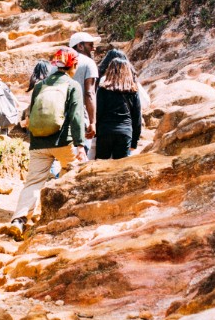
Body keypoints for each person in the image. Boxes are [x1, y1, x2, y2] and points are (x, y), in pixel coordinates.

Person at [9, 48, 87, 225]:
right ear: (73, 65)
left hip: (38, 143)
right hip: (62, 142)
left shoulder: (39, 86)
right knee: (73, 173)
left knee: (33, 182)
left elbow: (32, 114)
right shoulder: (73, 85)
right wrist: (80, 144)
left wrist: (33, 138)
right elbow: (76, 117)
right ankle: (65, 214)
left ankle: (19, 220)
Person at [94, 48, 145, 160]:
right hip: (125, 132)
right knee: (120, 167)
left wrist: (96, 133)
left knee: (100, 166)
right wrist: (134, 141)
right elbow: (137, 117)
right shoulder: (132, 91)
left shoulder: (103, 90)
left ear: (109, 70)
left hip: (105, 131)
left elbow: (98, 113)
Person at [67, 32, 100, 155]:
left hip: (58, 117)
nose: (93, 48)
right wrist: (93, 122)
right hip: (79, 118)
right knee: (80, 156)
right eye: (90, 45)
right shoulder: (88, 63)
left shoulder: (58, 63)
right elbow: (89, 93)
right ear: (80, 46)